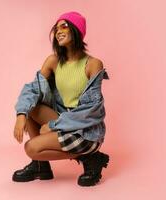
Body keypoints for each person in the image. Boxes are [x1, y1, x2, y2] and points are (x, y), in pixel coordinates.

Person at [12, 11, 110, 187]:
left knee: (31, 148)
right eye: (56, 28)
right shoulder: (53, 61)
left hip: (85, 129)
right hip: (64, 121)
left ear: (76, 31)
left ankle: (91, 157)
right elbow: (33, 89)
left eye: (64, 26)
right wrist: (21, 114)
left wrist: (52, 126)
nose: (58, 31)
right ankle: (41, 167)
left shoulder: (93, 64)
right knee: (32, 107)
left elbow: (91, 110)